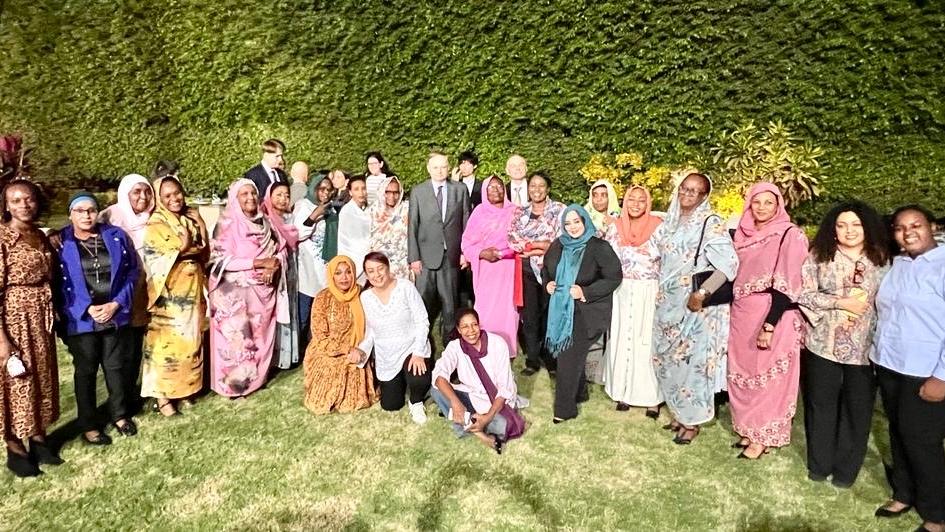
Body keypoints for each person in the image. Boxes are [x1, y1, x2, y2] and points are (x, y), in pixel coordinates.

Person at [797, 201, 888, 487]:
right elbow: (803, 294)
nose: (849, 230)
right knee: (820, 406)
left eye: (856, 224)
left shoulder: (881, 259)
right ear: (833, 229)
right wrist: (839, 302)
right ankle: (819, 465)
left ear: (867, 227)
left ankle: (846, 472)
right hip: (823, 345)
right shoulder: (819, 256)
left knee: (857, 411)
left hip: (864, 350)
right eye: (842, 225)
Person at [871, 205, 945, 532]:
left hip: (926, 371)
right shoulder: (898, 264)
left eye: (916, 225)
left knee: (922, 443)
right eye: (900, 228)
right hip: (891, 365)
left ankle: (935, 516)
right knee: (898, 434)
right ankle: (903, 493)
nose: (908, 232)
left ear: (932, 227)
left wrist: (942, 376)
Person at [653, 173, 738, 445]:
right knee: (669, 361)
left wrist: (702, 293)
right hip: (668, 304)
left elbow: (728, 265)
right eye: (684, 188)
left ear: (704, 196)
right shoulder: (671, 220)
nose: (687, 194)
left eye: (695, 191)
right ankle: (679, 414)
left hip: (694, 306)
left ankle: (692, 422)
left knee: (691, 363)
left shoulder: (711, 223)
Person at [727, 183, 809, 459]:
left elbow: (788, 282)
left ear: (778, 206)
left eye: (768, 202)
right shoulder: (742, 235)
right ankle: (748, 429)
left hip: (773, 314)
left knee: (769, 378)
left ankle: (763, 436)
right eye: (756, 202)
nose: (761, 208)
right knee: (744, 373)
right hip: (742, 314)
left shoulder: (789, 234)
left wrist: (770, 324)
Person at [56, 192, 140, 445]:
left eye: (91, 210)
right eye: (80, 211)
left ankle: (120, 415)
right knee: (86, 371)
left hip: (113, 313)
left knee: (115, 367)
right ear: (70, 214)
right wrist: (86, 308)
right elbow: (55, 282)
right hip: (81, 318)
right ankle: (89, 425)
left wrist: (117, 303)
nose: (86, 215)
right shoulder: (60, 242)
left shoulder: (115, 236)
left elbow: (132, 271)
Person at [0, 180, 61, 477]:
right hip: (13, 319)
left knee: (42, 378)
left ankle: (39, 439)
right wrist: (2, 341)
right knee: (16, 381)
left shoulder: (39, 235)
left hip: (40, 318)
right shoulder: (2, 238)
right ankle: (15, 447)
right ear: (6, 206)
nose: (24, 205)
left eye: (29, 199)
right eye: (16, 200)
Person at [542, 205, 621, 423]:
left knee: (567, 358)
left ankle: (564, 410)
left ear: (585, 221)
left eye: (576, 221)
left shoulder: (599, 247)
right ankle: (580, 393)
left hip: (587, 312)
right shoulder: (558, 245)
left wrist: (585, 292)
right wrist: (548, 283)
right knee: (569, 355)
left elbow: (614, 277)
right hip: (561, 310)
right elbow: (546, 269)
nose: (572, 227)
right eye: (567, 223)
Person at [208, 179, 284, 398]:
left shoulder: (265, 222)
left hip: (262, 291)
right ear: (234, 198)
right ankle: (234, 386)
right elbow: (219, 261)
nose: (250, 197)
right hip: (233, 295)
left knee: (259, 337)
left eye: (253, 193)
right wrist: (258, 263)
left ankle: (256, 380)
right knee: (238, 341)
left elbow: (280, 249)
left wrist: (275, 263)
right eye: (244, 194)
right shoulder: (226, 224)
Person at [141, 175, 208, 417]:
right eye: (167, 195)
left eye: (177, 192)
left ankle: (184, 389)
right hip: (168, 295)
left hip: (192, 291)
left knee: (189, 342)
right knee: (164, 346)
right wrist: (184, 247)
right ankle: (163, 398)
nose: (174, 199)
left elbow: (203, 252)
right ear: (159, 199)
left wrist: (200, 224)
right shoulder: (156, 223)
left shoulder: (188, 219)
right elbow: (155, 258)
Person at [600, 185, 662, 416]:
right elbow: (604, 258)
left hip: (649, 290)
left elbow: (669, 259)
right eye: (631, 199)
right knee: (622, 338)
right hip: (622, 290)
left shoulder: (659, 227)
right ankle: (623, 392)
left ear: (648, 203)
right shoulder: (614, 228)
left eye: (641, 200)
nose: (636, 204)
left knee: (646, 341)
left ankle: (651, 397)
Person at [431, 308, 526, 453]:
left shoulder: (497, 343)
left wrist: (487, 418)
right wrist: (456, 402)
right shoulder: (455, 347)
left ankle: (466, 422)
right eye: (465, 326)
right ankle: (479, 433)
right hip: (472, 394)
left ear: (479, 324)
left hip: (496, 400)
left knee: (503, 426)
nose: (471, 331)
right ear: (459, 330)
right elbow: (439, 376)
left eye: (474, 325)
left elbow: (504, 389)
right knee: (437, 390)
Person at [98, 173, 155, 401]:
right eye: (136, 192)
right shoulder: (111, 216)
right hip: (121, 288)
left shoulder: (155, 216)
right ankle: (119, 398)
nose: (143, 197)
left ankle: (132, 393)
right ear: (125, 194)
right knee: (119, 346)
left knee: (136, 344)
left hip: (147, 286)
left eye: (147, 191)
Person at [359, 252, 432, 424]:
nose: (377, 275)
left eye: (380, 269)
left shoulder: (405, 287)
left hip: (410, 347)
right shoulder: (366, 297)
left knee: (418, 377)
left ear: (388, 268)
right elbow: (370, 331)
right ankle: (402, 382)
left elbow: (422, 320)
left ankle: (416, 401)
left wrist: (419, 353)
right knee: (391, 405)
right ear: (366, 275)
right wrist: (361, 351)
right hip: (387, 355)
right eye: (371, 271)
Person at [408, 152, 471, 344]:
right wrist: (414, 257)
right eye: (435, 167)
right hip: (425, 258)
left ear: (449, 167)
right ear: (428, 169)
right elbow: (413, 226)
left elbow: (466, 221)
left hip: (451, 257)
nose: (440, 171)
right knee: (422, 304)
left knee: (450, 305)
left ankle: (450, 346)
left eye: (443, 166)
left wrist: (464, 252)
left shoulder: (460, 189)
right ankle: (421, 345)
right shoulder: (418, 191)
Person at [303, 256, 378, 414]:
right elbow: (320, 337)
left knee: (353, 397)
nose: (344, 277)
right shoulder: (323, 298)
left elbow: (373, 327)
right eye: (338, 273)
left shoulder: (363, 295)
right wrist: (346, 349)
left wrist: (358, 349)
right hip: (328, 350)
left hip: (359, 349)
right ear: (332, 275)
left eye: (348, 272)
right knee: (319, 400)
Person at [509, 171, 565, 376]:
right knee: (530, 316)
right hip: (526, 271)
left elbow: (562, 239)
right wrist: (538, 246)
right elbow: (512, 238)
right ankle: (532, 359)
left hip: (552, 270)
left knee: (551, 315)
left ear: (548, 189)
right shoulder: (519, 212)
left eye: (541, 186)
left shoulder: (559, 210)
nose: (537, 189)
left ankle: (551, 360)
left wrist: (541, 247)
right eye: (533, 185)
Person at [461, 175, 519, 355]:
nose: (496, 190)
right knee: (486, 310)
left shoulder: (515, 211)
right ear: (484, 191)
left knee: (509, 310)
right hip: (486, 270)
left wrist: (505, 253)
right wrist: (482, 253)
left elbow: (522, 240)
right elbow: (466, 244)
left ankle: (507, 350)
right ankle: (486, 348)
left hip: (510, 270)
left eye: (499, 186)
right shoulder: (479, 212)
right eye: (491, 187)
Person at [293, 174, 334, 352]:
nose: (325, 193)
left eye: (329, 190)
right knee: (304, 313)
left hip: (324, 267)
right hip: (307, 267)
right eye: (321, 189)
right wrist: (314, 215)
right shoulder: (303, 205)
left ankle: (315, 348)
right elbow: (297, 233)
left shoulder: (331, 209)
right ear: (314, 188)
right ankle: (299, 349)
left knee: (320, 312)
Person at [262, 182, 300, 370]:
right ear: (269, 197)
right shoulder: (266, 221)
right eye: (278, 195)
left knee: (290, 308)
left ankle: (289, 355)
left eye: (286, 195)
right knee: (277, 311)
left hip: (291, 268)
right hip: (276, 271)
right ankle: (275, 358)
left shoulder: (289, 218)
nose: (283, 199)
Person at [369, 176, 411, 280]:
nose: (392, 196)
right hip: (379, 263)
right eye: (387, 192)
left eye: (395, 192)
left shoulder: (407, 209)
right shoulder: (373, 211)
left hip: (403, 264)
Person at [338, 175, 371, 279]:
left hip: (367, 256)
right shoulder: (347, 211)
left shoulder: (368, 209)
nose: (361, 192)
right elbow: (352, 239)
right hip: (353, 256)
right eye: (356, 189)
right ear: (350, 192)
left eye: (363, 188)